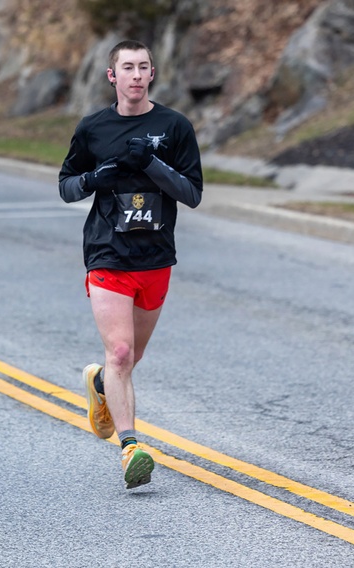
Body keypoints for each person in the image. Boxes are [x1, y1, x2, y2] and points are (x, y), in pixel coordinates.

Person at [58, 40, 203, 489]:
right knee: (120, 351)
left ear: (152, 74)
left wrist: (153, 165)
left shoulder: (174, 126)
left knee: (130, 357)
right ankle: (131, 448)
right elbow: (66, 186)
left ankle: (101, 384)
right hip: (107, 253)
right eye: (128, 68)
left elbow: (192, 193)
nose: (136, 75)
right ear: (112, 77)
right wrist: (94, 179)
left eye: (143, 67)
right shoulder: (93, 128)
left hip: (155, 257)